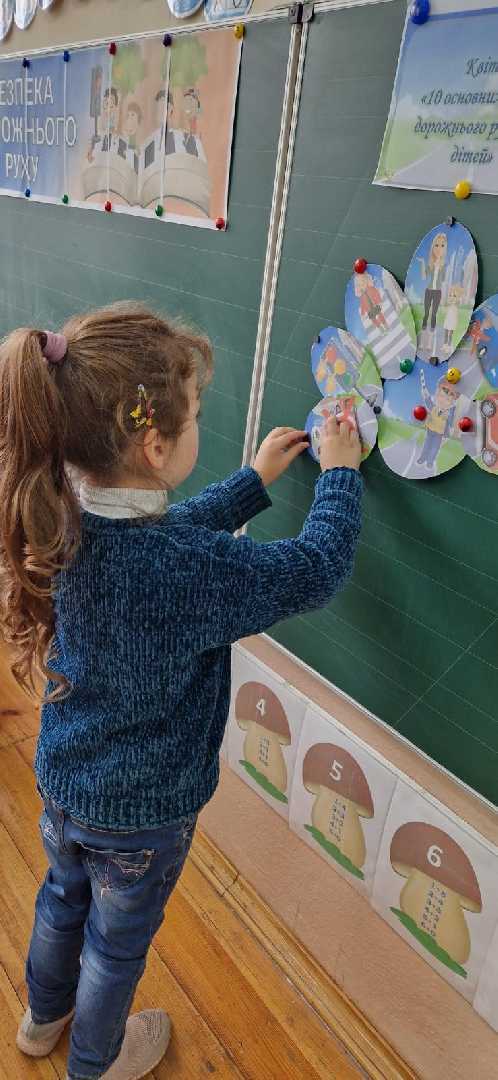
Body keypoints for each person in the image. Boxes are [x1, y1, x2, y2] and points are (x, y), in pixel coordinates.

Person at [0, 303, 362, 1080]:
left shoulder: (59, 513)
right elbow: (315, 569)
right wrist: (340, 475)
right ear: (156, 446)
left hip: (65, 785)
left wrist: (251, 484)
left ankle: (40, 1019)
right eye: (195, 413)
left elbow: (164, 533)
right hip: (142, 818)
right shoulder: (187, 571)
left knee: (61, 902)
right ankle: (94, 1064)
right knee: (115, 947)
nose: (200, 421)